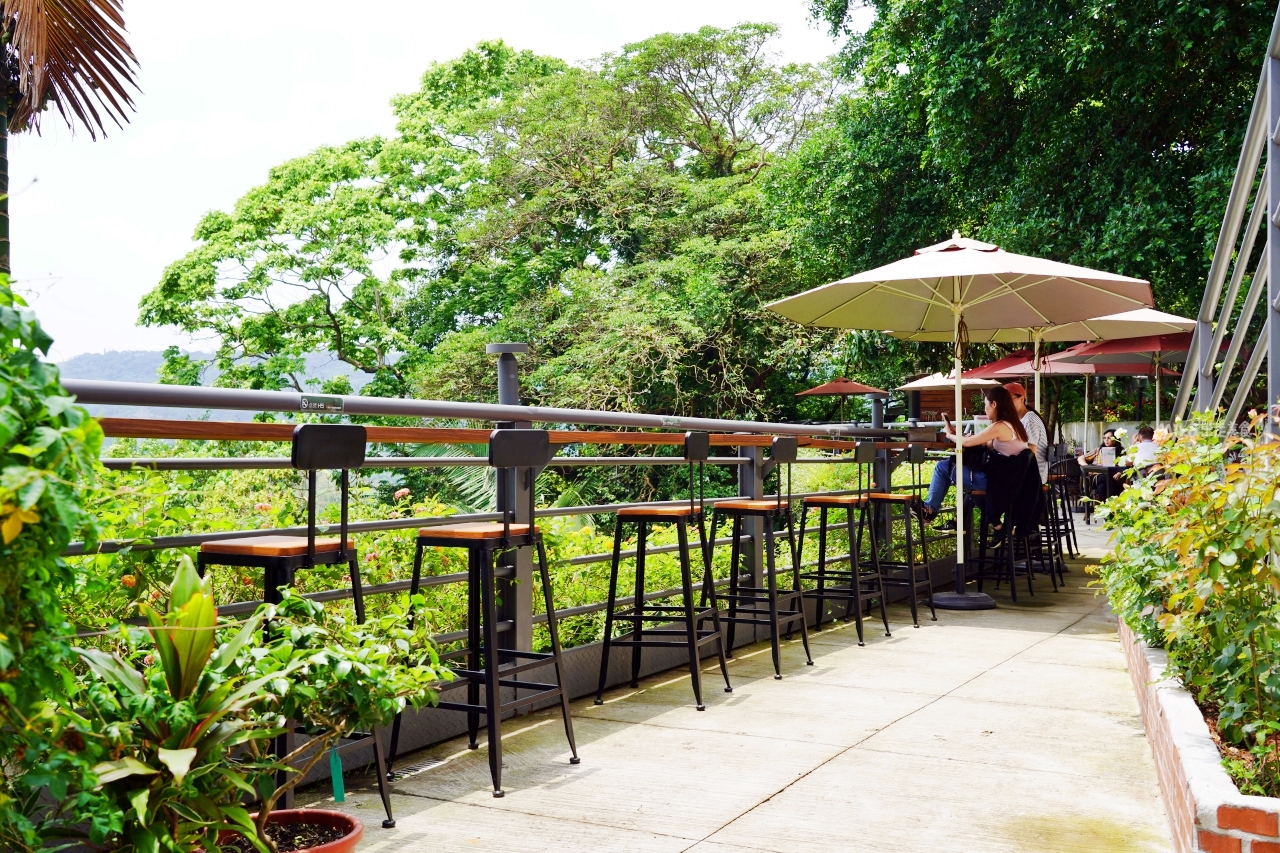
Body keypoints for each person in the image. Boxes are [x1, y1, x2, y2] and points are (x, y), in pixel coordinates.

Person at [919, 385, 1029, 523]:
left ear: (994, 404)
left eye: (985, 405)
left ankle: (928, 510)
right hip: (1009, 482)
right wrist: (962, 436)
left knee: (942, 467)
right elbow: (984, 443)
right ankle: (996, 524)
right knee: (956, 472)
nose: (985, 409)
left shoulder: (1000, 426)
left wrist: (949, 435)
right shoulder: (1015, 425)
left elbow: (966, 443)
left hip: (996, 483)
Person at [1003, 382, 1048, 486]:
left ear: (1022, 399)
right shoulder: (1021, 420)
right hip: (1027, 474)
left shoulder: (1029, 421)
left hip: (1032, 477)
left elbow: (1030, 454)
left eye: (1009, 400)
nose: (1006, 404)